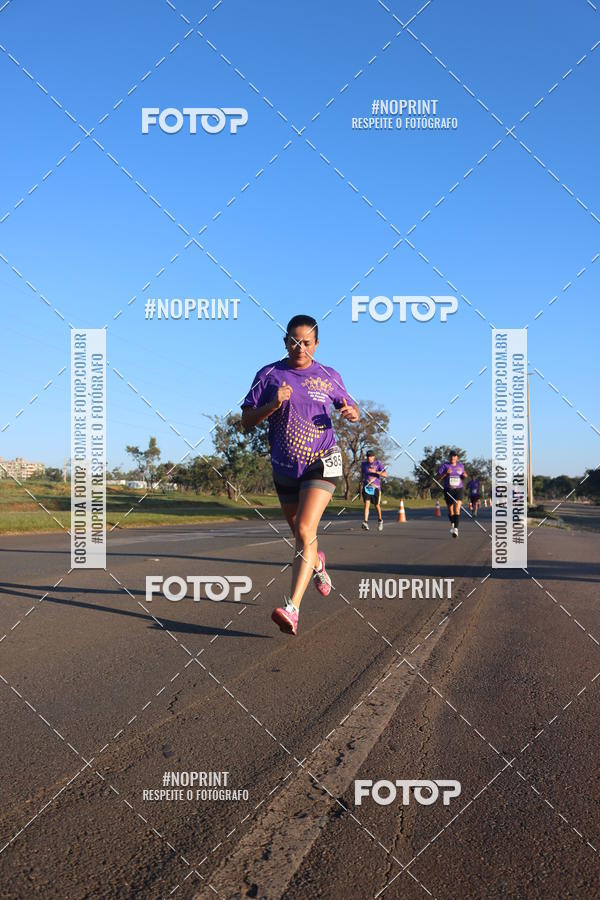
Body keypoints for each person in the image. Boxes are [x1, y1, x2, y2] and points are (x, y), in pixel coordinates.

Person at [241, 314, 359, 635]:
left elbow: (351, 407)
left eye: (306, 342)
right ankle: (317, 563)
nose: (299, 347)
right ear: (285, 342)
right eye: (294, 341)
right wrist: (272, 405)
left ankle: (292, 609)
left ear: (316, 344)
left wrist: (351, 412)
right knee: (301, 536)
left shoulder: (329, 375)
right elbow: (246, 420)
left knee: (306, 529)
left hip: (323, 459)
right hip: (285, 466)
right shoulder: (268, 375)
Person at [437, 450, 468, 538]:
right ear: (449, 457)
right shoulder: (444, 466)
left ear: (457, 458)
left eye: (454, 456)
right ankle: (453, 524)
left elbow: (463, 476)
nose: (452, 458)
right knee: (450, 511)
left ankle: (456, 529)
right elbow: (437, 478)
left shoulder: (461, 466)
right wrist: (446, 473)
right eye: (451, 456)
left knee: (457, 509)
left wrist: (464, 476)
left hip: (458, 489)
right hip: (448, 489)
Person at [361, 451, 387, 531]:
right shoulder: (364, 465)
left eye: (370, 456)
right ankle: (365, 522)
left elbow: (385, 475)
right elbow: (362, 475)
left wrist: (376, 472)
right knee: (367, 504)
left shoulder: (378, 464)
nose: (369, 458)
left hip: (376, 488)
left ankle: (380, 520)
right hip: (367, 487)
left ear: (374, 457)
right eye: (368, 456)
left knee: (376, 505)